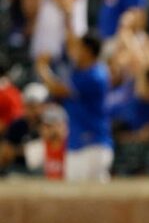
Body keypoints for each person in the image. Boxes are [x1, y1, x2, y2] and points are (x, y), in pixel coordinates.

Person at [36, 12, 112, 181]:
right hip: (79, 144)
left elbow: (58, 90)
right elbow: (71, 48)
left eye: (80, 48)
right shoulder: (82, 71)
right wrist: (67, 17)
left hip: (93, 145)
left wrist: (42, 68)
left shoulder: (95, 75)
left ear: (88, 51)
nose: (76, 51)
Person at [0, 82, 49, 175]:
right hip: (18, 170)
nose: (34, 111)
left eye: (36, 106)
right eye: (29, 106)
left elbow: (53, 147)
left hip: (44, 170)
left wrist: (19, 151)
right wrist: (28, 150)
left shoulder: (50, 123)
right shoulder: (18, 125)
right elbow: (5, 153)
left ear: (44, 105)